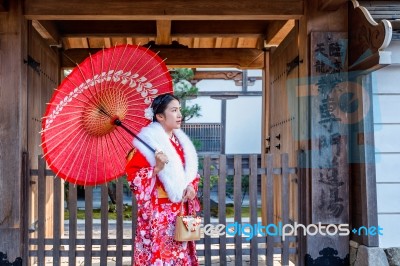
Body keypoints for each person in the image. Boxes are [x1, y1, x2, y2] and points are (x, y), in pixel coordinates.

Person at [126, 93, 200, 266]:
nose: (179, 115)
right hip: (158, 214)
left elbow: (191, 173)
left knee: (181, 254)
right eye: (174, 110)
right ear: (160, 116)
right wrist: (157, 168)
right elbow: (133, 178)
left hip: (181, 209)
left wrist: (191, 186)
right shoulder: (146, 145)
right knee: (159, 256)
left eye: (179, 110)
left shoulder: (181, 143)